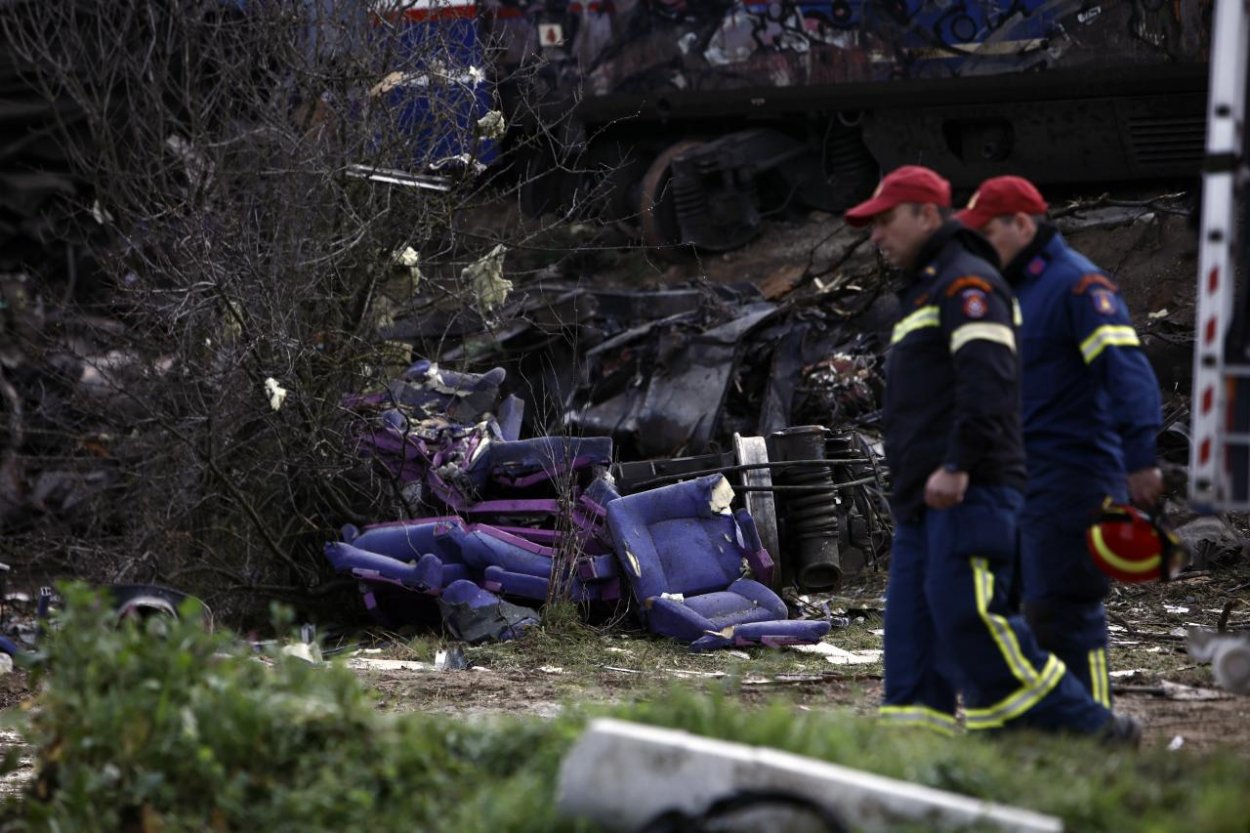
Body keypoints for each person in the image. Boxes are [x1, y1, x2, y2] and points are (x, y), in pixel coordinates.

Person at [844, 165, 1136, 741]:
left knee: (974, 617)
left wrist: (957, 464)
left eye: (886, 221)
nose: (876, 236)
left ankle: (1093, 727)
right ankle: (914, 748)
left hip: (969, 489)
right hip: (921, 496)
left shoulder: (969, 285)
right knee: (913, 634)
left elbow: (988, 387)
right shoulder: (926, 289)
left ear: (928, 215)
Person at [955, 176, 1163, 707]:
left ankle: (1093, 728)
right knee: (1008, 607)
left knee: (1064, 609)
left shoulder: (1078, 286)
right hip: (1016, 477)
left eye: (987, 233)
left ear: (1022, 225)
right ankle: (1036, 722)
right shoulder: (1007, 290)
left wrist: (1141, 458)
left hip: (1073, 477)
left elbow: (1127, 372)